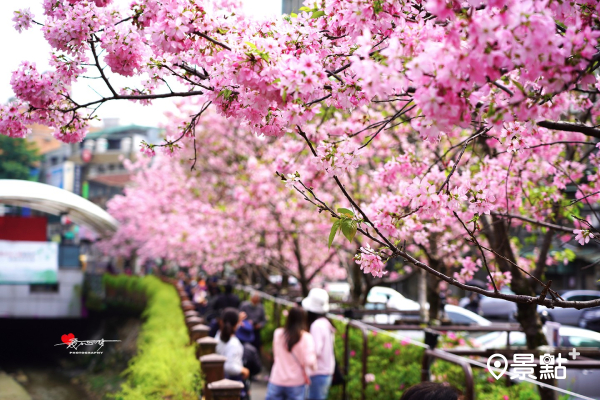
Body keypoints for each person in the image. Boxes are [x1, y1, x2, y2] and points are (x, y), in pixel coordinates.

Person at [267, 307, 316, 400]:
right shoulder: (306, 337)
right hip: (296, 381)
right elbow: (310, 361)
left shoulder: (278, 333)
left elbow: (275, 354)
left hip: (277, 378)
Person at [302, 288, 335, 400]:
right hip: (326, 371)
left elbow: (315, 350)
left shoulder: (317, 325)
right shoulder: (325, 322)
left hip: (318, 372)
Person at [215, 308, 250, 381]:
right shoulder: (234, 343)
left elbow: (230, 325)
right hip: (233, 379)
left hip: (220, 375)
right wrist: (243, 370)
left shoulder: (218, 335)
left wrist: (237, 320)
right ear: (236, 324)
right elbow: (229, 366)